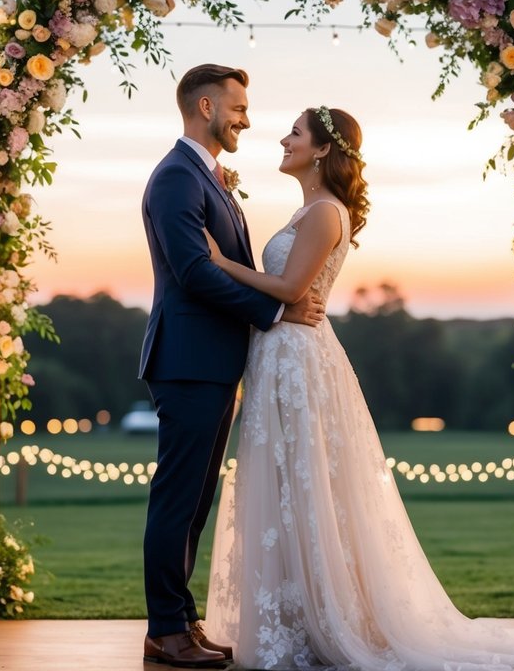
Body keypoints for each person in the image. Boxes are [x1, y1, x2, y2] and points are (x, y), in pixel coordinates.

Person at [205, 107, 514, 670]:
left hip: (298, 361)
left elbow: (290, 286)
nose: (283, 138)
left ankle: (325, 620)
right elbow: (285, 292)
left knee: (302, 485)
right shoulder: (310, 210)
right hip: (281, 354)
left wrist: (222, 262)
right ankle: (294, 616)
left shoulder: (325, 212)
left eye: (295, 132)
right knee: (285, 488)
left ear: (323, 149)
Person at [139, 64, 324, 668]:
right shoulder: (175, 178)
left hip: (214, 362)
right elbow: (193, 272)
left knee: (195, 500)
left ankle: (183, 621)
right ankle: (165, 630)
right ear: (204, 107)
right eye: (238, 107)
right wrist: (276, 311)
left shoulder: (208, 178)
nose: (246, 118)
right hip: (188, 360)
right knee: (177, 497)